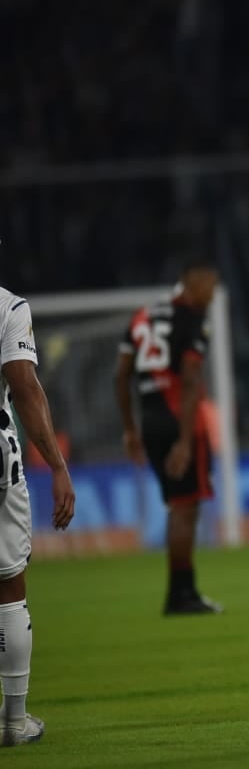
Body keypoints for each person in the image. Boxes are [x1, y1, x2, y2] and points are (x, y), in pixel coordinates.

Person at [113, 259, 223, 615]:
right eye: (211, 284)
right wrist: (187, 440)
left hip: (149, 419)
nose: (212, 293)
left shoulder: (142, 316)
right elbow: (190, 378)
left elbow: (120, 376)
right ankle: (181, 593)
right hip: (180, 419)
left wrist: (130, 429)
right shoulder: (190, 318)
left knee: (180, 504)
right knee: (184, 506)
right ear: (194, 280)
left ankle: (184, 591)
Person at [0, 285, 77, 747]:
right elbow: (24, 388)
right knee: (8, 584)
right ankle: (13, 720)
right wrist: (58, 465)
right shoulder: (7, 306)